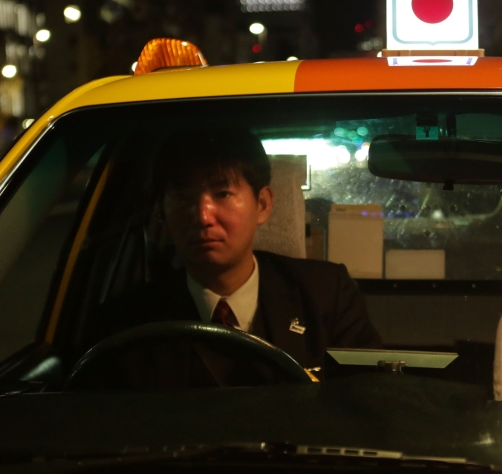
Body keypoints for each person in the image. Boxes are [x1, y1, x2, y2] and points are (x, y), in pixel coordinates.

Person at [92, 129, 382, 383]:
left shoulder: (326, 294)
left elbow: (369, 396)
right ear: (162, 214)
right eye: (183, 197)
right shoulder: (125, 326)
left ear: (263, 204)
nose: (203, 216)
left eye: (222, 194)